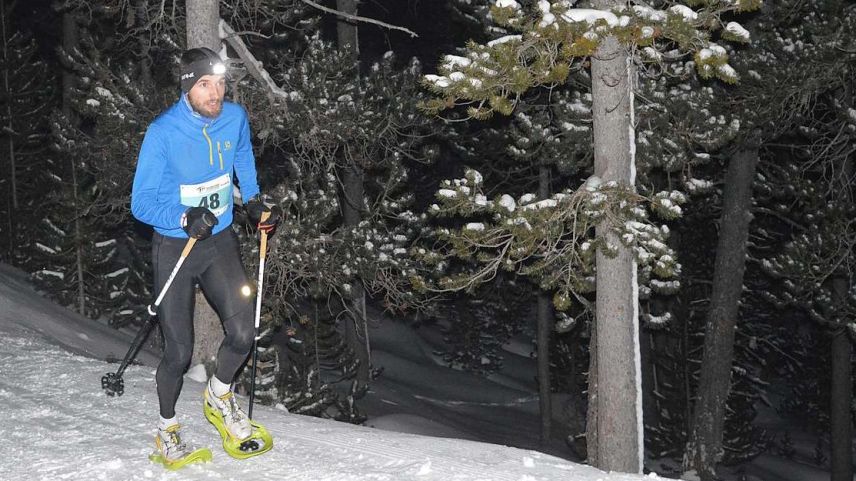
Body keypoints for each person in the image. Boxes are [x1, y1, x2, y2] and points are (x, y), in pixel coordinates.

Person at [131, 47, 282, 467]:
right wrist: (182, 216)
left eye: (219, 83)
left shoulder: (233, 117)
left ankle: (219, 396)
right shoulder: (162, 133)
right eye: (204, 84)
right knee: (179, 353)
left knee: (243, 334)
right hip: (175, 247)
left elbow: (243, 156)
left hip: (218, 242)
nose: (215, 93)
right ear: (186, 87)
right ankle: (167, 428)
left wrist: (253, 201)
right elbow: (140, 204)